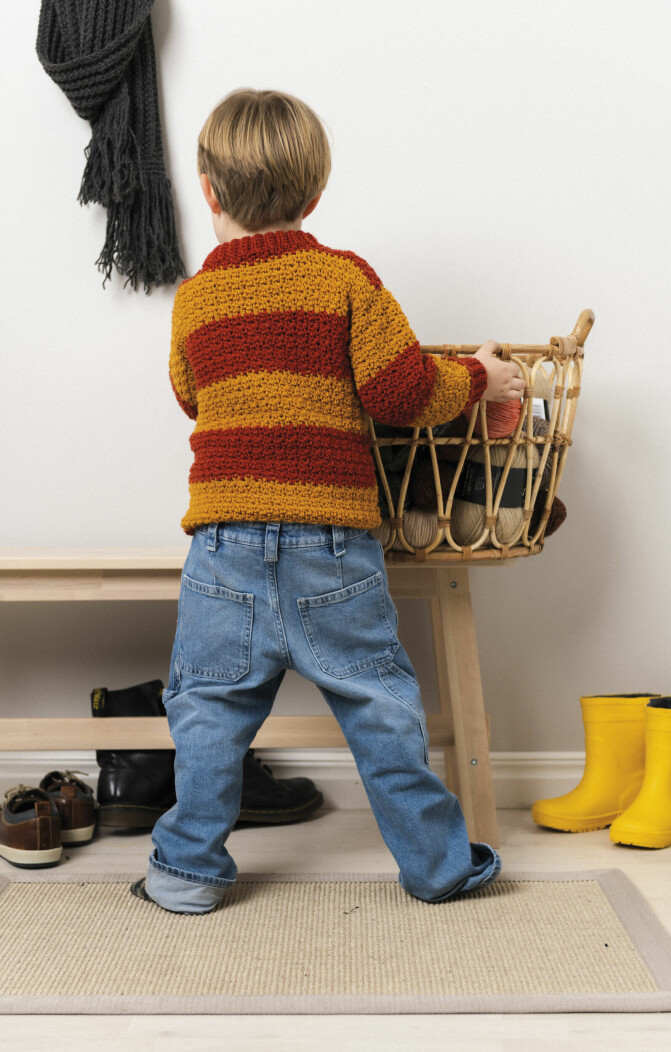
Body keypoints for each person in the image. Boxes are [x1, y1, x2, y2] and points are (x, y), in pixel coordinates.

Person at [131, 88, 525, 914]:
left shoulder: (195, 299)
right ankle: (438, 867)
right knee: (381, 710)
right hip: (330, 546)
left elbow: (189, 395)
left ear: (207, 190)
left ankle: (186, 871)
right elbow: (400, 390)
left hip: (222, 548)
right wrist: (479, 378)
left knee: (205, 711)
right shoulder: (342, 279)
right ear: (314, 195)